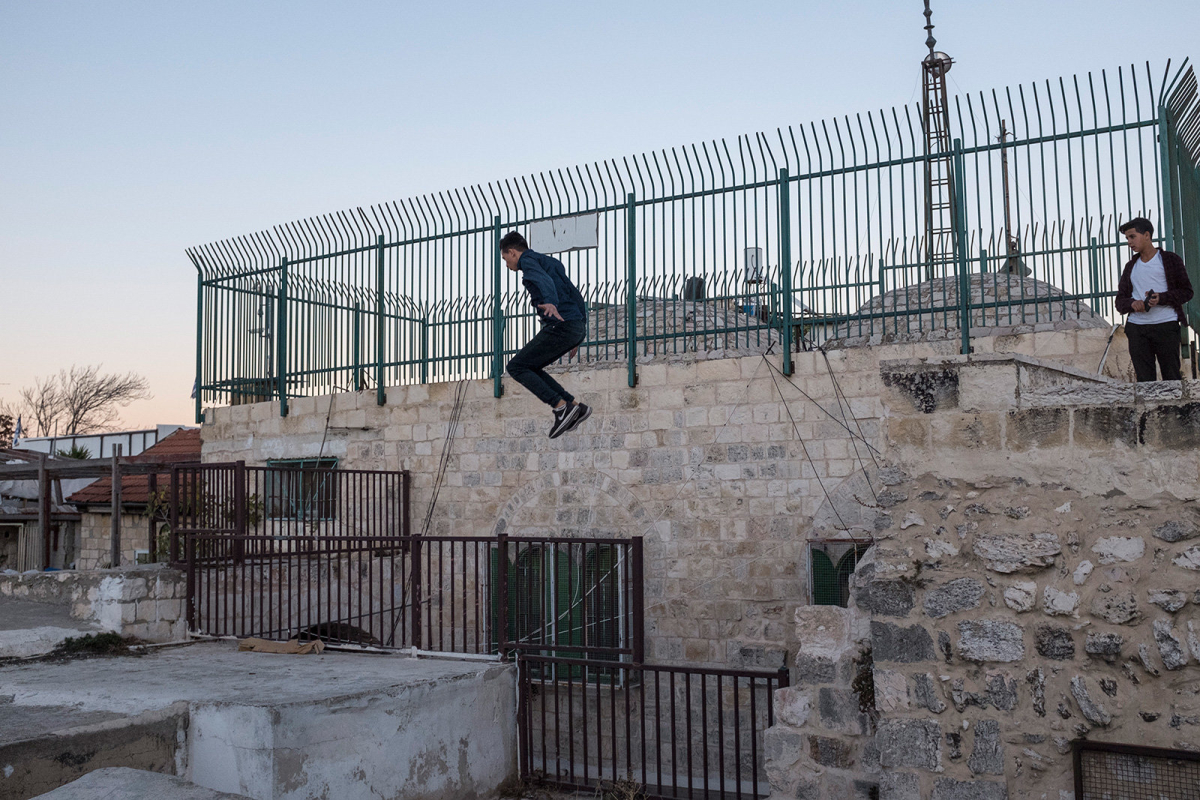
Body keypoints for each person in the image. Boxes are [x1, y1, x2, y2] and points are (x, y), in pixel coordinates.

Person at [500, 231, 593, 438]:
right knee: (530, 366)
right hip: (573, 326)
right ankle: (575, 406)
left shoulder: (528, 261)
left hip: (560, 325)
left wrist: (550, 300)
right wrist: (580, 328)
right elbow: (575, 293)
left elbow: (543, 281)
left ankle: (561, 408)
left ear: (513, 253)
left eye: (506, 259)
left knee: (516, 366)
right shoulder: (549, 262)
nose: (507, 265)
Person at [1114, 217, 1194, 382]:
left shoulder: (1170, 260)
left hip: (1166, 325)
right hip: (1137, 329)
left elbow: (1187, 292)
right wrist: (1132, 303)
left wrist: (1162, 298)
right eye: (1127, 238)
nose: (1129, 242)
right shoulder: (1131, 267)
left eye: (1132, 236)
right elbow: (1120, 301)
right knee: (1144, 380)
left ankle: (1174, 408)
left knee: (1171, 377)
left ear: (1147, 235)